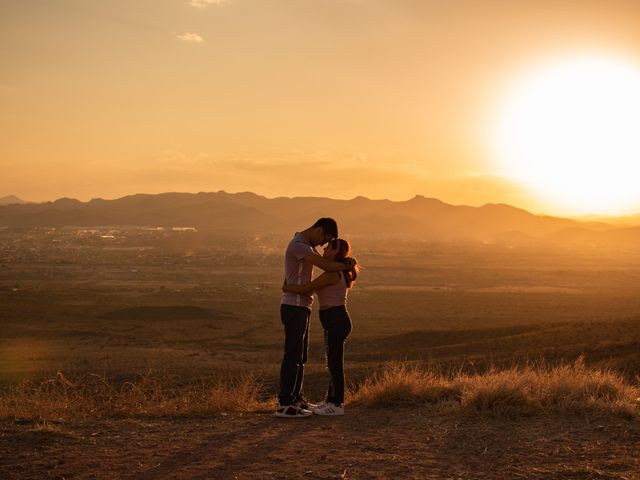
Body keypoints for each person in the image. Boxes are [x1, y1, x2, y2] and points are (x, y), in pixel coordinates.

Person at [276, 218, 356, 418]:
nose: (322, 247)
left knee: (300, 356)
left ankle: (295, 399)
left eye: (327, 245)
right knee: (294, 355)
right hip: (294, 305)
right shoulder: (300, 246)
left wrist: (346, 263)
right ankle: (285, 403)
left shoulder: (304, 247)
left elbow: (324, 271)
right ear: (319, 231)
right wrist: (347, 264)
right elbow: (326, 267)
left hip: (302, 305)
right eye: (324, 240)